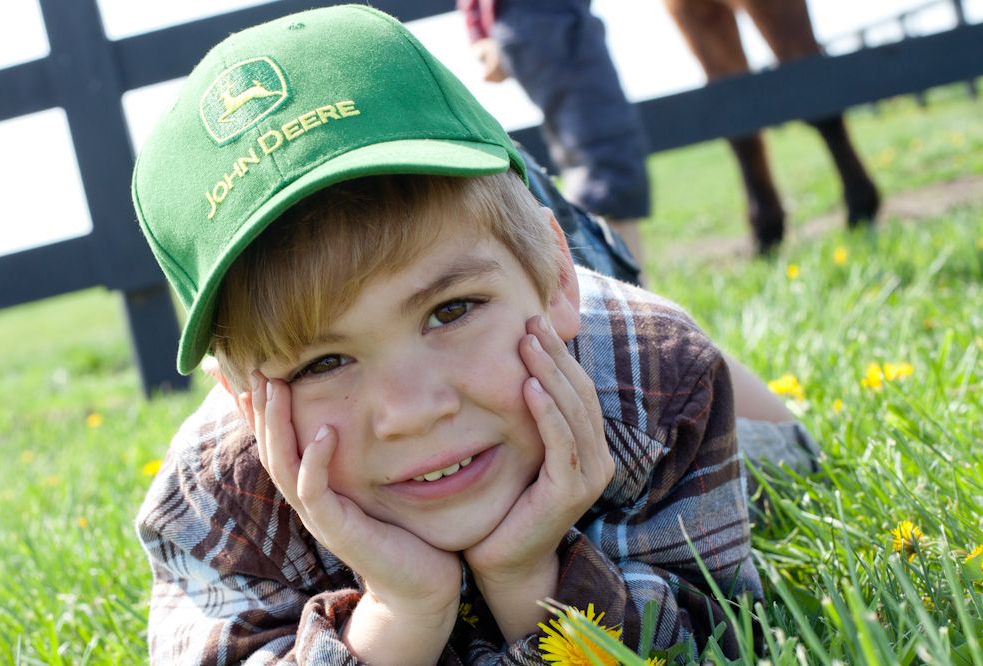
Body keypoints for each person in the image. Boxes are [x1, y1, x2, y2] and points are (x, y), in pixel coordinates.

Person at [132, 6, 816, 663]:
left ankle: (569, 257)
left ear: (554, 282)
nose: (415, 410)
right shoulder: (213, 498)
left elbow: (718, 630)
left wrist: (527, 580)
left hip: (579, 302)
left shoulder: (652, 380)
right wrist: (401, 612)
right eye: (324, 361)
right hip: (523, 276)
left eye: (450, 312)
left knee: (791, 460)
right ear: (248, 403)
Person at [458, 0, 650, 272]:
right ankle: (614, 300)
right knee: (606, 167)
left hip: (545, 18)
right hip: (547, 16)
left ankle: (608, 295)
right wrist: (479, 27)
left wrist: (479, 27)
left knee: (601, 161)